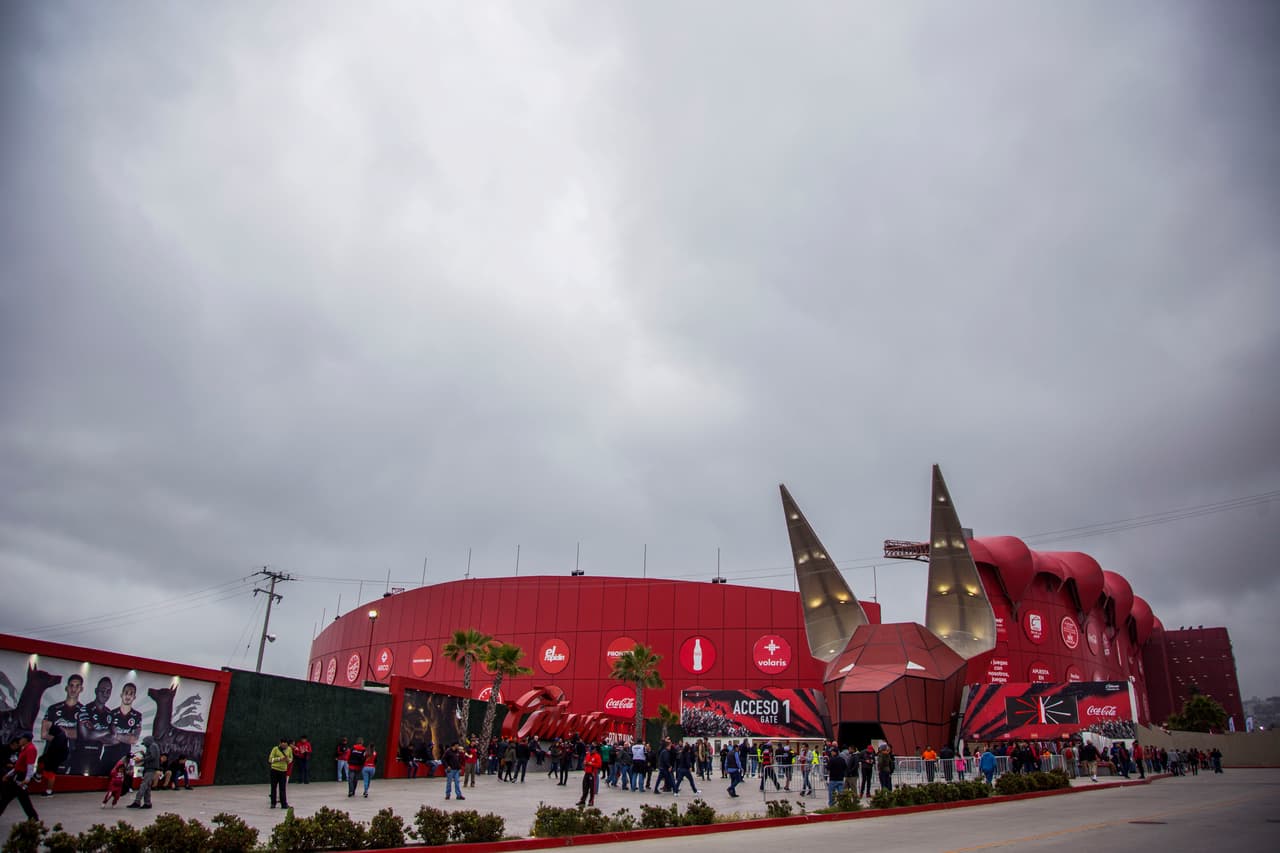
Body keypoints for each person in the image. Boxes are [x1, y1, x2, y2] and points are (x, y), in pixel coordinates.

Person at [40, 674, 83, 772]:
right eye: (71, 685)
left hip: (71, 755)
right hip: (50, 753)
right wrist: (70, 732)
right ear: (66, 688)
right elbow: (44, 734)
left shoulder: (83, 711)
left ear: (81, 689)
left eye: (77, 686)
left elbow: (82, 734)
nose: (73, 689)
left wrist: (59, 731)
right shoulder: (53, 708)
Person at [74, 676, 114, 775]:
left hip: (97, 759)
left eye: (108, 691)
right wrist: (106, 731)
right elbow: (86, 735)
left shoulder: (109, 713)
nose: (105, 694)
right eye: (102, 690)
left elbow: (112, 739)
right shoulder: (85, 709)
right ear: (96, 691)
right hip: (80, 758)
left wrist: (94, 732)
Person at [102, 683, 142, 777]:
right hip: (108, 755)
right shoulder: (111, 714)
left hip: (124, 756)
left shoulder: (137, 716)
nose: (128, 696)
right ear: (121, 694)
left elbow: (134, 739)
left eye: (131, 694)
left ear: (134, 697)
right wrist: (126, 736)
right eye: (126, 693)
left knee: (121, 780)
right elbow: (105, 738)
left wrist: (116, 735)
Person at [0, 732, 39, 821]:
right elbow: (18, 765)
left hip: (22, 777)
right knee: (20, 798)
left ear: (26, 739)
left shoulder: (31, 749)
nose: (19, 741)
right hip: (18, 776)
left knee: (9, 797)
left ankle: (33, 818)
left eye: (21, 739)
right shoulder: (24, 749)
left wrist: (27, 779)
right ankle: (33, 818)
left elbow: (30, 765)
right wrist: (8, 775)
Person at [127, 735, 161, 809]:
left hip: (150, 768)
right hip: (150, 768)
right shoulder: (154, 746)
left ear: (147, 741)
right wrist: (144, 754)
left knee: (144, 785)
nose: (144, 745)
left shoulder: (152, 746)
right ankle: (147, 803)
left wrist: (141, 760)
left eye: (145, 744)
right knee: (147, 787)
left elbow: (152, 757)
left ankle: (137, 801)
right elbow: (152, 756)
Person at [38, 724, 69, 797]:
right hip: (55, 758)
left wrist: (49, 757)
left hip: (54, 758)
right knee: (48, 771)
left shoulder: (59, 738)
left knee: (51, 774)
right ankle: (47, 788)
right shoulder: (61, 736)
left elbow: (54, 749)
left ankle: (49, 791)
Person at [269, 737, 291, 809]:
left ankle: (284, 804)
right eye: (283, 745)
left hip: (283, 771)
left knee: (282, 788)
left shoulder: (289, 749)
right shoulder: (275, 749)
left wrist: (288, 760)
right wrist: (279, 759)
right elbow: (270, 760)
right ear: (280, 743)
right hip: (274, 770)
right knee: (273, 787)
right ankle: (273, 803)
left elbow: (290, 759)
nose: (285, 746)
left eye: (286, 745)